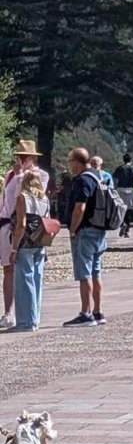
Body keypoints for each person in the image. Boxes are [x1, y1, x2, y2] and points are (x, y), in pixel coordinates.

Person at [64, 146, 115, 324]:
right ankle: (98, 312)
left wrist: (72, 229)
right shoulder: (98, 177)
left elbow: (80, 207)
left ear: (77, 162)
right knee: (96, 272)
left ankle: (85, 313)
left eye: (70, 161)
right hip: (99, 230)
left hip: (85, 230)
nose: (69, 165)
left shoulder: (82, 180)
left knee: (84, 273)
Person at [3, 164, 51, 332]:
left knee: (24, 282)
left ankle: (25, 321)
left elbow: (21, 225)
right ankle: (34, 319)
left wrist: (14, 248)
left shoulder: (23, 198)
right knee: (36, 281)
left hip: (25, 244)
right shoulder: (44, 199)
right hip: (39, 243)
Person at [0, 138, 36, 327]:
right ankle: (8, 312)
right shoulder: (9, 175)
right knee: (7, 268)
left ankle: (28, 315)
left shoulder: (37, 175)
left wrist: (20, 175)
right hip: (6, 224)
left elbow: (21, 197)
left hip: (23, 225)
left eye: (25, 157)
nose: (21, 159)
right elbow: (5, 200)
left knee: (24, 269)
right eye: (19, 156)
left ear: (32, 158)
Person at [111, 153, 133, 239]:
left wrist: (113, 191)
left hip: (120, 190)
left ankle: (122, 224)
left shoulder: (119, 169)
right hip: (131, 191)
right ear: (131, 160)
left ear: (123, 159)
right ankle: (127, 230)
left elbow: (114, 181)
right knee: (129, 210)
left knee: (121, 210)